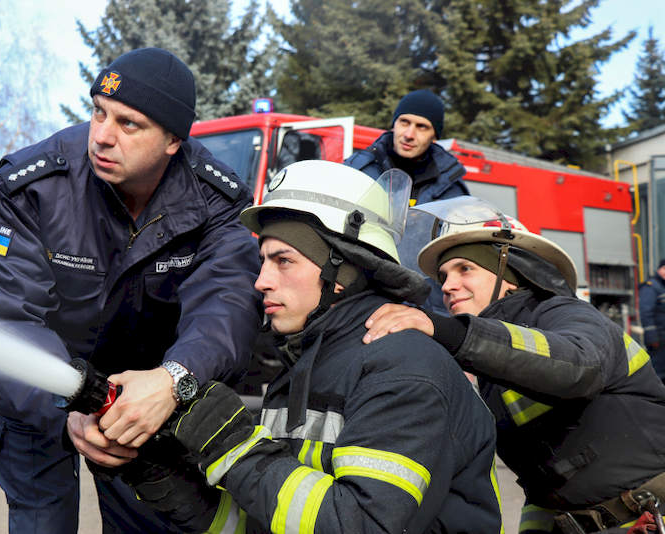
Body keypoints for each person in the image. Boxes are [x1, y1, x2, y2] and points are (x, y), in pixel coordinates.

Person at [97, 161, 504, 533]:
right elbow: (267, 521)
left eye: (283, 260)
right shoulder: (300, 367)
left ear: (342, 270)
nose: (261, 282)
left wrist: (232, 446)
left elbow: (364, 525)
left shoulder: (404, 367)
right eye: (262, 262)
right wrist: (166, 475)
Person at [0, 48, 262, 533]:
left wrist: (173, 380)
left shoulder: (216, 199)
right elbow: (5, 317)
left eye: (129, 124)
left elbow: (228, 304)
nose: (101, 135)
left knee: (150, 524)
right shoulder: (27, 189)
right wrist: (65, 404)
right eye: (98, 112)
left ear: (172, 140)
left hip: (144, 398)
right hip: (41, 397)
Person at [363, 197, 665, 534]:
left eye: (465, 269)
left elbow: (580, 367)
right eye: (444, 276)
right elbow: (542, 485)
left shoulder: (565, 314)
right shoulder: (488, 362)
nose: (447, 286)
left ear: (510, 275)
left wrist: (448, 331)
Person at [344, 89, 469, 207]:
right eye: (404, 122)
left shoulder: (450, 188)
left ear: (434, 136)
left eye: (422, 127)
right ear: (394, 125)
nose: (409, 135)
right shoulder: (357, 169)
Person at [639, 259, 665, 383]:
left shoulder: (662, 287)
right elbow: (646, 313)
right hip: (658, 340)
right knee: (657, 373)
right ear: (659, 269)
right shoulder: (651, 286)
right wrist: (652, 338)